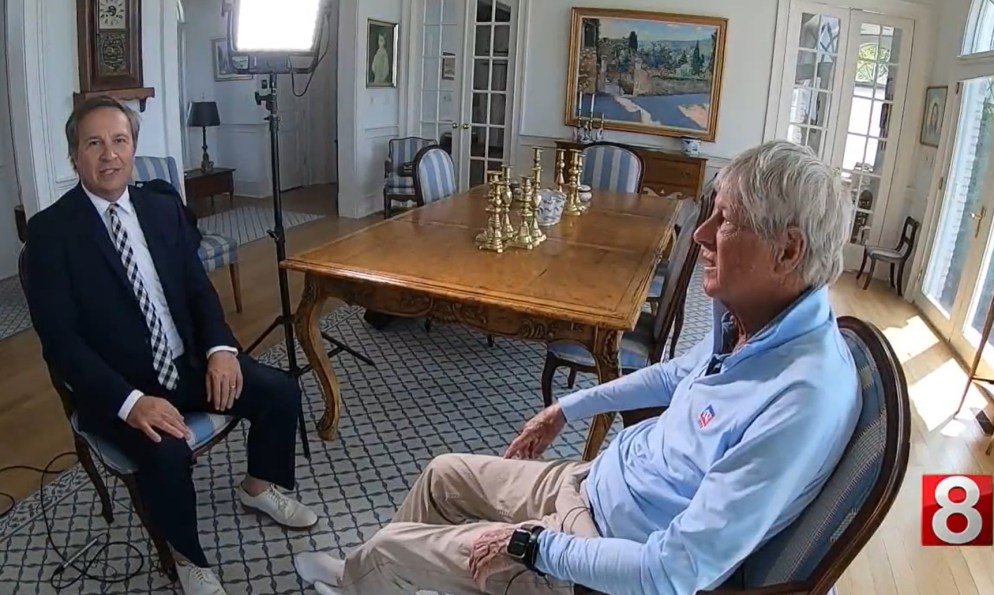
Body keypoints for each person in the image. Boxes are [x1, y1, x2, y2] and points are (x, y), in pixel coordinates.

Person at [293, 139, 862, 595]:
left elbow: (672, 572)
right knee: (443, 474)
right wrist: (566, 407)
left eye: (726, 221)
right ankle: (373, 579)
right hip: (593, 482)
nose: (703, 235)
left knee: (392, 548)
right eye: (709, 214)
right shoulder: (754, 320)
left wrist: (530, 546)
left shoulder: (801, 398)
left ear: (788, 251)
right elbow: (673, 375)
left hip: (595, 558)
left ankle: (369, 575)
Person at [23, 96, 318, 595]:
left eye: (119, 141)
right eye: (94, 143)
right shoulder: (51, 232)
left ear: (133, 148)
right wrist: (131, 402)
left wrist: (220, 350)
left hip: (185, 363)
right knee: (167, 453)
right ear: (74, 156)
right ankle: (186, 557)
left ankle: (258, 487)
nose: (109, 154)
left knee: (280, 391)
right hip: (118, 388)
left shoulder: (161, 209)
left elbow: (198, 291)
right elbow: (61, 343)